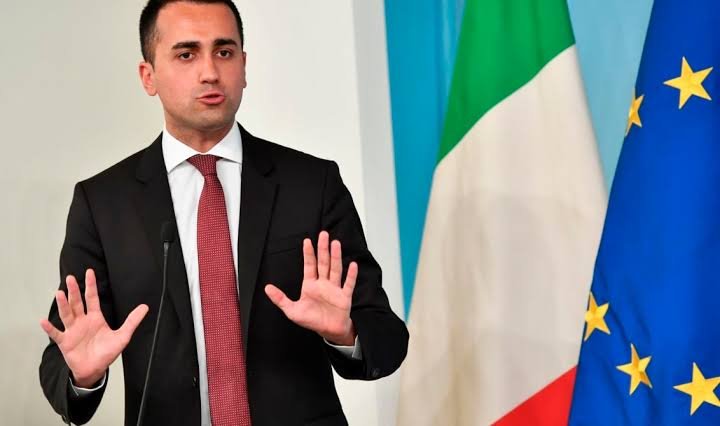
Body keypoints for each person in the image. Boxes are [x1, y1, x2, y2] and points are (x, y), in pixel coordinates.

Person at [37, 1, 409, 425]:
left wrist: (346, 334)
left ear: (244, 67)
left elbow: (387, 337)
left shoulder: (312, 184)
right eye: (186, 54)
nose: (210, 72)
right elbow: (63, 358)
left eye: (224, 52)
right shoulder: (103, 203)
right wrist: (82, 377)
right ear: (148, 76)